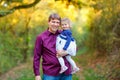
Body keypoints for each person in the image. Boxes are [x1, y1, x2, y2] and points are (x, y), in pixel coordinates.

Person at [33, 13, 72, 80]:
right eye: (53, 22)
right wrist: (37, 74)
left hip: (66, 73)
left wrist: (65, 53)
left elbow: (74, 48)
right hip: (50, 74)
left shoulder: (64, 34)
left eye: (57, 22)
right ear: (48, 22)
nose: (55, 24)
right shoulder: (41, 37)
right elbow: (37, 57)